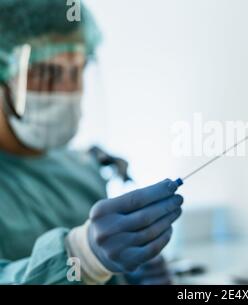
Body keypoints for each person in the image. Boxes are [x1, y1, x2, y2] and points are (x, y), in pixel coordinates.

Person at [0, 0, 182, 284]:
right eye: (47, 73)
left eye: (76, 71)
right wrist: (79, 258)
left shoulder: (81, 170)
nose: (66, 91)